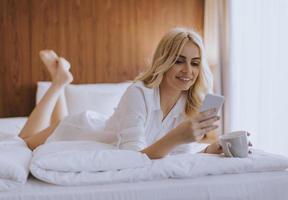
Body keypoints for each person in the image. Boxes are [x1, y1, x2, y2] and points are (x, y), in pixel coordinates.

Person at [19, 28, 226, 159]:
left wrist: (209, 150)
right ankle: (58, 83)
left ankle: (61, 81)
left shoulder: (189, 103)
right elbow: (132, 157)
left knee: (48, 127)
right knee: (24, 140)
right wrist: (175, 137)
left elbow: (179, 155)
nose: (188, 71)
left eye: (195, 63)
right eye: (179, 61)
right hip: (80, 131)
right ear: (164, 62)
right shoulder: (139, 93)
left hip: (100, 130)